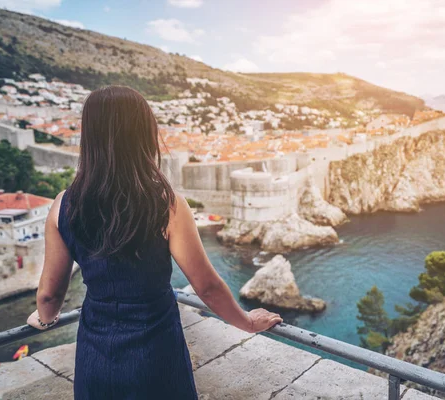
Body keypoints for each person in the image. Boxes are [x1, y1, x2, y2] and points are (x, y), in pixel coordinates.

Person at [26, 86, 283, 399]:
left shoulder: (63, 205)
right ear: (143, 134)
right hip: (157, 354)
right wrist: (246, 322)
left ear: (88, 136)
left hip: (96, 355)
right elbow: (207, 287)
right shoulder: (167, 204)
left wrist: (43, 319)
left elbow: (50, 295)